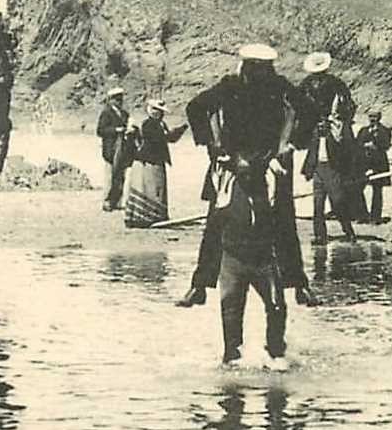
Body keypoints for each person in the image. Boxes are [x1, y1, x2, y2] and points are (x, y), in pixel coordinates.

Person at [176, 43, 316, 364]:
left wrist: (291, 145)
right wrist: (216, 150)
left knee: (282, 218)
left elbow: (309, 111)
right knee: (218, 216)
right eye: (255, 67)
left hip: (269, 161)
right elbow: (196, 108)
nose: (259, 73)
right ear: (247, 66)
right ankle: (200, 284)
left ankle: (298, 282)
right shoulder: (230, 86)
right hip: (232, 161)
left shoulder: (278, 87)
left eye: (263, 68)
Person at [298, 51, 358, 242]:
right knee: (318, 203)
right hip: (319, 162)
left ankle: (348, 231)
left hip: (331, 160)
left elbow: (346, 109)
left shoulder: (320, 85)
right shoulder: (320, 85)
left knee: (337, 200)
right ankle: (320, 235)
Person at [124, 100, 188, 227]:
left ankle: (152, 216)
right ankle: (145, 217)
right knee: (151, 188)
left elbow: (168, 138)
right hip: (148, 161)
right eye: (155, 110)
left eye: (160, 111)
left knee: (155, 188)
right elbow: (162, 139)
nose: (158, 113)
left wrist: (181, 129)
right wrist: (177, 131)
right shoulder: (149, 124)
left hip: (155, 160)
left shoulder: (159, 124)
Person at [95, 86, 134, 212]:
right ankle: (107, 201)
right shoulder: (106, 113)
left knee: (120, 176)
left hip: (122, 149)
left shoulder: (124, 114)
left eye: (120, 99)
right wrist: (116, 130)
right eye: (116, 99)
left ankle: (116, 200)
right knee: (110, 176)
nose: (119, 101)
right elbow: (100, 130)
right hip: (110, 149)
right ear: (110, 100)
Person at [357, 109, 392, 224]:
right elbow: (357, 144)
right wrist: (364, 145)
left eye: (375, 116)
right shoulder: (363, 131)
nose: (372, 119)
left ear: (379, 117)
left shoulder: (385, 131)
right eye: (370, 116)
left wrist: (375, 145)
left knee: (377, 190)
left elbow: (386, 145)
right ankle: (362, 215)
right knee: (358, 188)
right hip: (364, 163)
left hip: (379, 164)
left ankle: (375, 217)